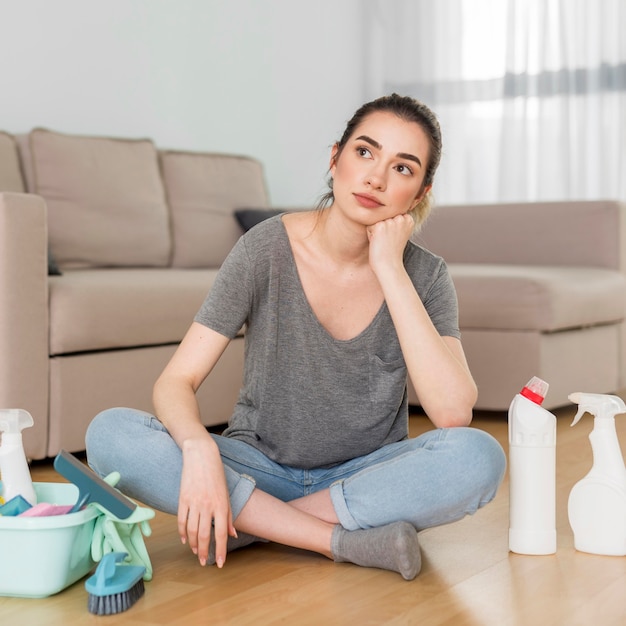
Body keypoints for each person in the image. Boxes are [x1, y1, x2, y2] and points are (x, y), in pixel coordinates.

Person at [86, 93, 506, 581]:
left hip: (364, 478)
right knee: (110, 433)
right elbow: (175, 381)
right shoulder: (264, 247)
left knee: (480, 456)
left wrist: (390, 268)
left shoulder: (427, 276)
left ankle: (254, 523)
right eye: (365, 153)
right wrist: (200, 449)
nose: (375, 177)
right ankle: (336, 541)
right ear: (335, 158)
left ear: (419, 195)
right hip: (257, 466)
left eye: (403, 169)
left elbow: (453, 412)